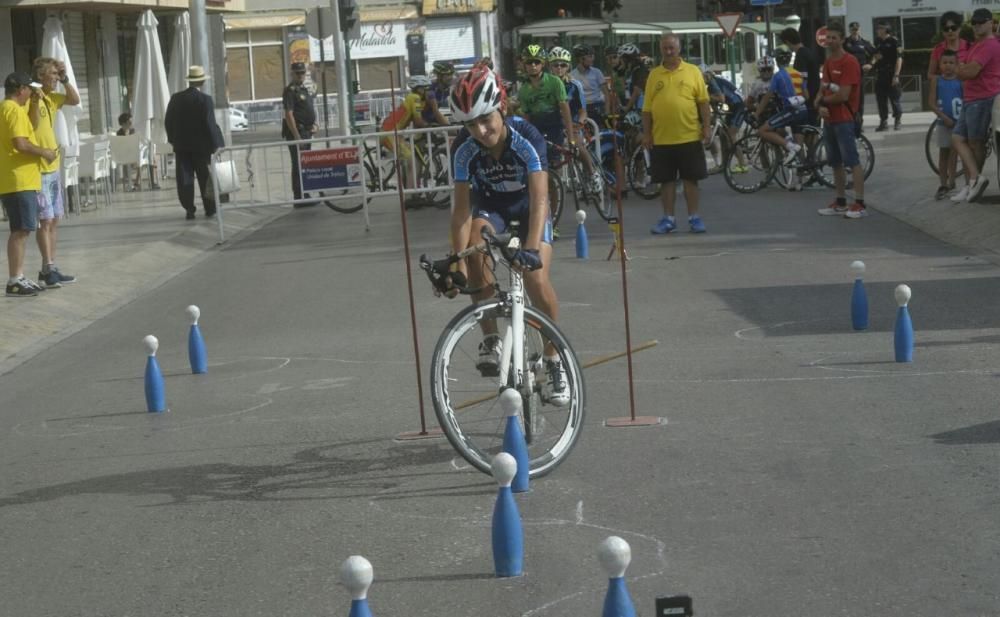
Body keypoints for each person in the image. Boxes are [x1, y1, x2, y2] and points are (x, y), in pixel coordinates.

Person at [445, 66, 568, 406]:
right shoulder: (463, 147)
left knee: (536, 278)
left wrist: (530, 248)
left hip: (531, 209)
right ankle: (491, 339)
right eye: (470, 124)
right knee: (473, 248)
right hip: (493, 209)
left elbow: (541, 196)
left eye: (486, 119)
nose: (480, 131)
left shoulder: (527, 136)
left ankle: (553, 359)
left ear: (502, 107)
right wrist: (456, 265)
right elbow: (460, 211)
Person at [643, 34, 711, 235]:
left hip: (689, 136)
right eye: (665, 48)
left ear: (679, 48)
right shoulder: (654, 75)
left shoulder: (692, 72)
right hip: (662, 138)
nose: (669, 51)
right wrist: (646, 133)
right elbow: (646, 109)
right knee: (666, 181)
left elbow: (703, 102)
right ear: (661, 50)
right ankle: (668, 219)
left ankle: (694, 217)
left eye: (672, 47)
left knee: (691, 179)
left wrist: (706, 127)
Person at [1, 72, 58, 297]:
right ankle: (14, 279)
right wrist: (44, 152)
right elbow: (21, 143)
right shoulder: (13, 110)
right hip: (19, 179)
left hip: (15, 178)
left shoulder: (7, 108)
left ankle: (19, 276)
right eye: (29, 90)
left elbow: (31, 126)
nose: (32, 93)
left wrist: (35, 103)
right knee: (21, 230)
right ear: (20, 89)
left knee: (21, 229)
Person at [28, 57, 78, 288]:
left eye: (58, 75)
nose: (56, 79)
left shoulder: (52, 98)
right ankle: (48, 269)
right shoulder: (32, 98)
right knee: (45, 220)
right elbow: (32, 122)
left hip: (52, 167)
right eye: (53, 75)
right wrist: (35, 99)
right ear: (40, 77)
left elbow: (74, 99)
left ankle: (51, 265)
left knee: (55, 219)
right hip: (38, 167)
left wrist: (66, 78)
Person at [814, 24, 867, 219]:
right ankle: (841, 201)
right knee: (835, 162)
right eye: (828, 38)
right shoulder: (828, 62)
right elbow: (824, 87)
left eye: (834, 38)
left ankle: (860, 204)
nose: (829, 41)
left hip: (845, 119)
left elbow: (843, 95)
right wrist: (819, 102)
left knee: (852, 161)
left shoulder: (850, 62)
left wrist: (822, 101)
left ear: (842, 40)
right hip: (829, 119)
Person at [950, 8, 1000, 203]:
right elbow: (964, 69)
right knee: (958, 138)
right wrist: (961, 69)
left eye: (982, 21)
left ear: (991, 23)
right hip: (971, 99)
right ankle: (974, 180)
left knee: (975, 142)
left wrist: (959, 69)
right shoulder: (977, 45)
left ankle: (973, 183)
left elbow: (968, 72)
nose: (977, 25)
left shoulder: (990, 45)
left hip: (982, 98)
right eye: (974, 22)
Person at [164, 65, 224, 220]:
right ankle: (210, 208)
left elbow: (168, 121)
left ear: (189, 81)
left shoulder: (176, 98)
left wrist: (173, 139)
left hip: (182, 147)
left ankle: (189, 209)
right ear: (202, 81)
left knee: (185, 178)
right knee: (205, 178)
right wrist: (216, 144)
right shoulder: (205, 100)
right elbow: (210, 124)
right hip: (201, 148)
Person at [754, 47, 810, 190]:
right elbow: (807, 96)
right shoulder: (798, 74)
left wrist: (757, 113)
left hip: (791, 111)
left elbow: (767, 97)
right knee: (800, 146)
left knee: (763, 130)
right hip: (803, 110)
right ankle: (799, 182)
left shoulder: (778, 76)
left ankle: (789, 146)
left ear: (777, 61)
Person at [549, 46, 601, 190]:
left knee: (577, 145)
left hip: (573, 124)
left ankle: (592, 173)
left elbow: (582, 111)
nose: (559, 68)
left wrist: (579, 123)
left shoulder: (574, 85)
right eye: (555, 65)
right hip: (554, 126)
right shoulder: (546, 85)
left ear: (568, 66)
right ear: (550, 67)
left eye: (563, 65)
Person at [381, 74, 437, 200]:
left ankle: (412, 192)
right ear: (419, 89)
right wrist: (431, 125)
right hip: (389, 133)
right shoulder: (415, 97)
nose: (428, 91)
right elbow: (418, 121)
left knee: (411, 159)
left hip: (392, 132)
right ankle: (410, 197)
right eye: (425, 88)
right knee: (411, 161)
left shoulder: (414, 98)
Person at [517, 45, 575, 153]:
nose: (533, 66)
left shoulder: (555, 82)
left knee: (555, 162)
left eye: (537, 62)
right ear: (524, 65)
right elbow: (526, 117)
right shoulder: (523, 90)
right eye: (529, 63)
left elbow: (565, 111)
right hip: (535, 127)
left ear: (543, 64)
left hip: (555, 125)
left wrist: (571, 139)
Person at [281, 62, 317, 205]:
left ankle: (305, 194)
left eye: (303, 73)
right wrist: (296, 135)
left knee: (304, 164)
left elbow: (307, 109)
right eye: (298, 73)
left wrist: (314, 124)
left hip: (306, 131)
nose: (301, 75)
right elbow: (289, 115)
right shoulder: (290, 91)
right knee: (298, 164)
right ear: (292, 73)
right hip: (298, 132)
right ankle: (299, 197)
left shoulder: (303, 89)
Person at [701, 63, 748, 173]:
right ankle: (724, 165)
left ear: (706, 75)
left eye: (700, 77)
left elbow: (721, 98)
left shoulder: (712, 82)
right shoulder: (710, 84)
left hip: (739, 106)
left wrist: (706, 97)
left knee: (731, 136)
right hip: (734, 107)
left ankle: (743, 164)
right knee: (722, 135)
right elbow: (714, 104)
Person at [929, 49, 962, 199]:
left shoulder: (961, 80)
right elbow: (931, 102)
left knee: (955, 153)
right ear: (940, 64)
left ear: (957, 64)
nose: (948, 66)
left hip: (959, 122)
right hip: (943, 123)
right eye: (944, 62)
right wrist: (943, 117)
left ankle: (952, 181)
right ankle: (943, 183)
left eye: (951, 63)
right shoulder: (937, 80)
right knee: (944, 152)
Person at [780, 27, 822, 129]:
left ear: (788, 42)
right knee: (813, 131)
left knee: (802, 130)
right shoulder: (808, 51)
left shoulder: (801, 55)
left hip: (809, 100)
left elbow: (802, 80)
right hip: (815, 96)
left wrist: (804, 99)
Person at [115, 112, 160, 192]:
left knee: (149, 158)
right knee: (147, 160)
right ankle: (146, 182)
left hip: (133, 156)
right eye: (129, 122)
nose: (131, 123)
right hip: (126, 157)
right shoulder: (119, 134)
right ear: (123, 123)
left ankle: (139, 182)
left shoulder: (132, 131)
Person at [844, 22, 877, 131]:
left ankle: (858, 123)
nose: (855, 31)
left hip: (860, 75)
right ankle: (849, 122)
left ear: (859, 30)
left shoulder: (865, 43)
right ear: (849, 30)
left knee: (859, 100)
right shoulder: (845, 42)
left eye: (856, 29)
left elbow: (876, 54)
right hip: (847, 76)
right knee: (847, 99)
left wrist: (870, 64)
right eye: (853, 29)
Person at [873, 22, 904, 131]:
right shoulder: (878, 42)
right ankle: (883, 122)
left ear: (886, 30)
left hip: (891, 74)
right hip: (881, 74)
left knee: (895, 99)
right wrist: (872, 64)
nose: (878, 30)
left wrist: (896, 75)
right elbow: (876, 56)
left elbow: (899, 58)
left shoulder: (894, 41)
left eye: (880, 28)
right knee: (881, 99)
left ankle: (897, 120)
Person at [571, 44, 610, 127]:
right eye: (589, 56)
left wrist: (607, 112)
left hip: (597, 107)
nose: (593, 59)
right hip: (581, 109)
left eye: (593, 56)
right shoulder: (572, 75)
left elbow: (606, 93)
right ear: (581, 59)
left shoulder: (597, 72)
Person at [617, 43, 649, 120]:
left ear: (627, 59)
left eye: (621, 59)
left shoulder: (640, 70)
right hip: (636, 106)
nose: (620, 62)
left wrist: (627, 108)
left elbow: (637, 91)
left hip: (642, 108)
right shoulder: (633, 70)